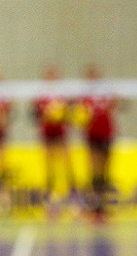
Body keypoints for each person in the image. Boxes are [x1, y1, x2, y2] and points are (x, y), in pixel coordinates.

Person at [75, 63, 124, 220]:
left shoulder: (106, 92)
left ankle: (103, 207)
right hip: (92, 135)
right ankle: (93, 207)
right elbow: (78, 115)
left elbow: (119, 103)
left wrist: (115, 100)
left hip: (106, 134)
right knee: (94, 170)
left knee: (105, 171)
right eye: (91, 75)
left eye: (95, 75)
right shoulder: (84, 95)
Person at [30, 63, 75, 205]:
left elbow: (71, 113)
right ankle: (49, 195)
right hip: (47, 133)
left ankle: (72, 194)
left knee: (66, 162)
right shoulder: (41, 95)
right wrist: (46, 116)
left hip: (61, 133)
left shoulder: (63, 94)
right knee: (49, 164)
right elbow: (35, 115)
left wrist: (62, 116)